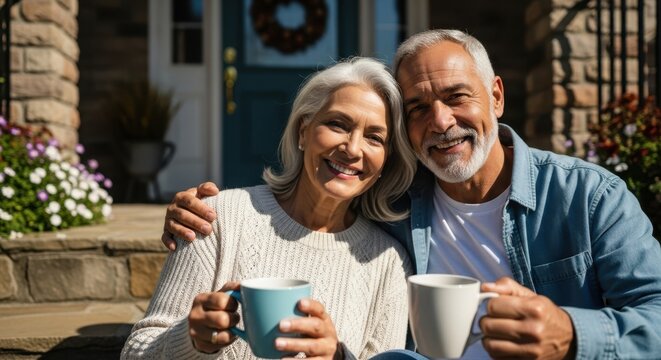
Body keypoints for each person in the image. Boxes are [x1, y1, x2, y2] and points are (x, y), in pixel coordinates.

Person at [162, 29, 661, 359]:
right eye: (418, 108)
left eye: (457, 97)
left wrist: (572, 336)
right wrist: (204, 212)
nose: (440, 122)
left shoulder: (589, 197)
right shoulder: (396, 204)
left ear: (497, 96)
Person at [122, 57, 418, 359]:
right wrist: (189, 339)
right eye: (337, 124)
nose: (353, 149)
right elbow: (135, 352)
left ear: (385, 161)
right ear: (303, 131)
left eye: (374, 138)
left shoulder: (389, 263)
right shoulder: (217, 218)